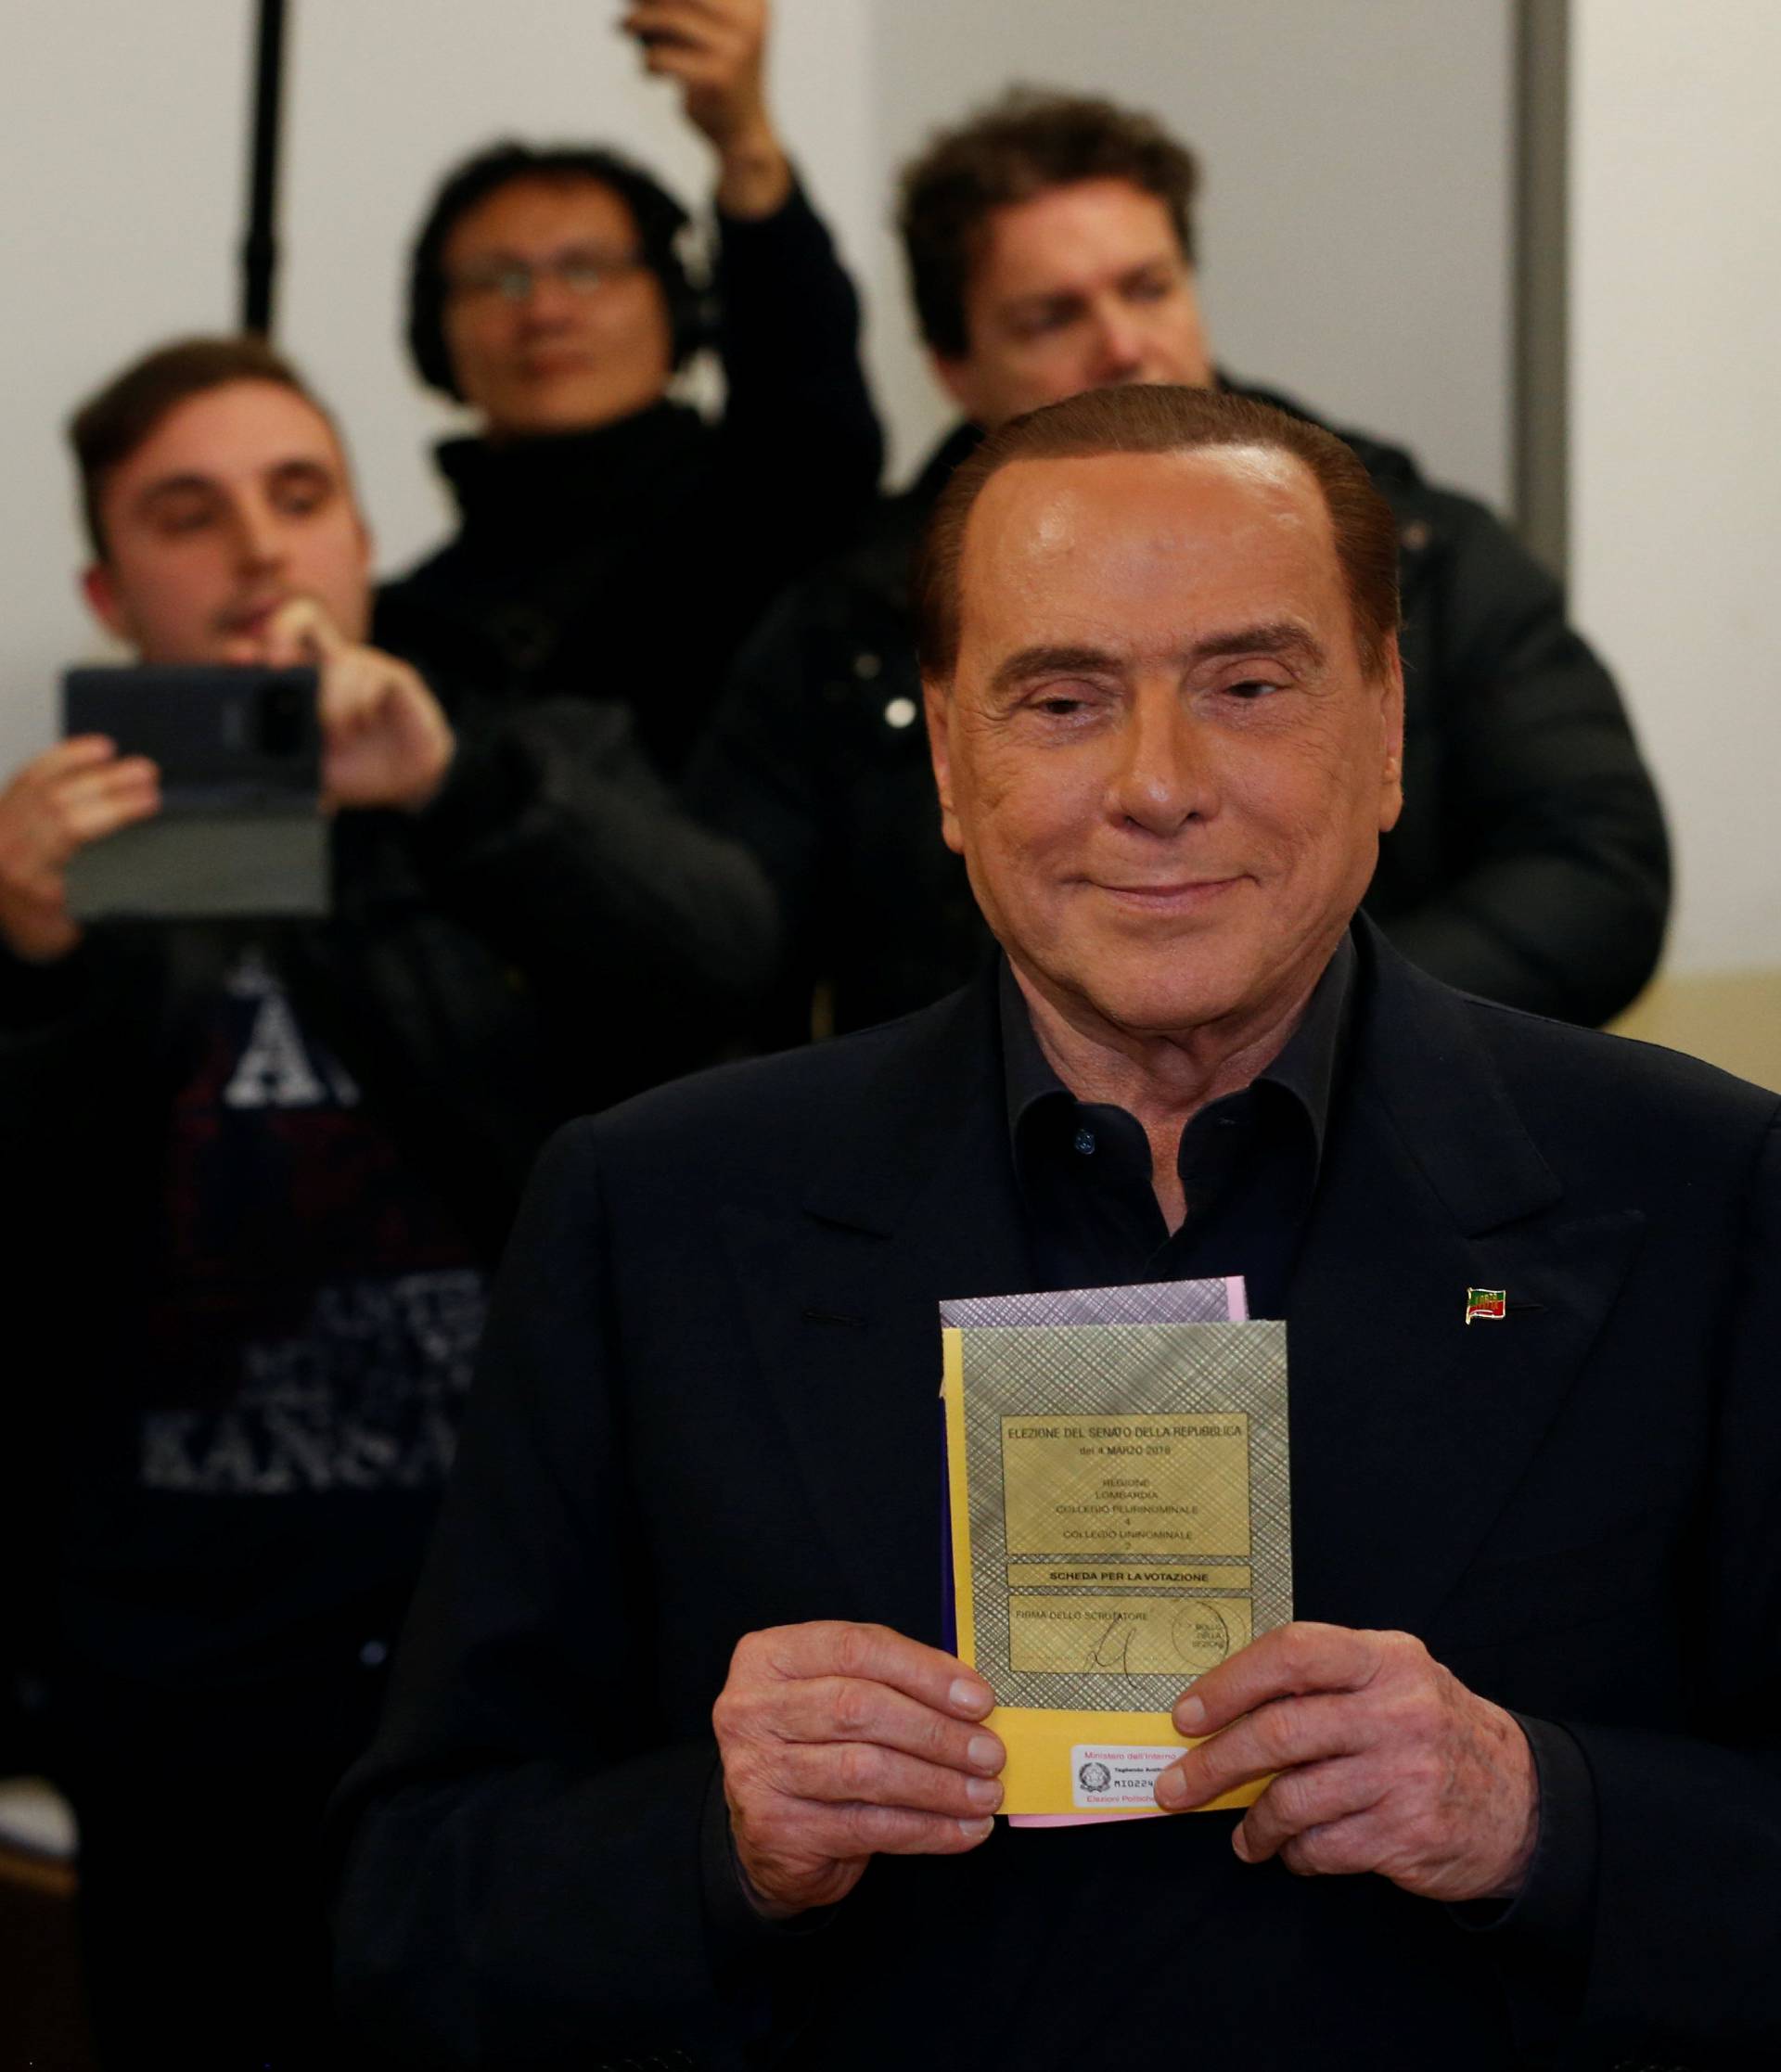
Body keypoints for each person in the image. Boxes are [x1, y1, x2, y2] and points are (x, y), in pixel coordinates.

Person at [330, 386, 1779, 2069]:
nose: (1157, 784)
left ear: (1386, 727)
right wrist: (722, 1840)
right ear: (951, 760)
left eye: (1246, 685)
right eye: (1065, 698)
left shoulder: (1697, 1189)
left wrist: (1541, 1810)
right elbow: (411, 1911)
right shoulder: (654, 1211)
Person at [0, 334, 775, 2068]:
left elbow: (725, 966)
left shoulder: (520, 762)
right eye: (190, 517)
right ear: (111, 591)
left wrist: (455, 793)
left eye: (299, 497)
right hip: (184, 1670)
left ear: (363, 538)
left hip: (519, 1638)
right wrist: (34, 966)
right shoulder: (50, 856)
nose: (262, 551)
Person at [690, 88, 1669, 1036]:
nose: (1124, 343)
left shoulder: (1417, 548)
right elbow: (731, 954)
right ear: (954, 367)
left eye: (1149, 287)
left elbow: (1595, 869)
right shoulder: (855, 614)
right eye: (1052, 317)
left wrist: (1322, 1039)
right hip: (975, 1170)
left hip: (1380, 1142)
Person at [377, 0, 883, 774]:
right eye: (499, 280)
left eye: (586, 269)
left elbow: (812, 407)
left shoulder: (757, 512)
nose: (545, 311)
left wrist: (744, 143)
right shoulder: (407, 628)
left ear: (678, 304)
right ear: (434, 328)